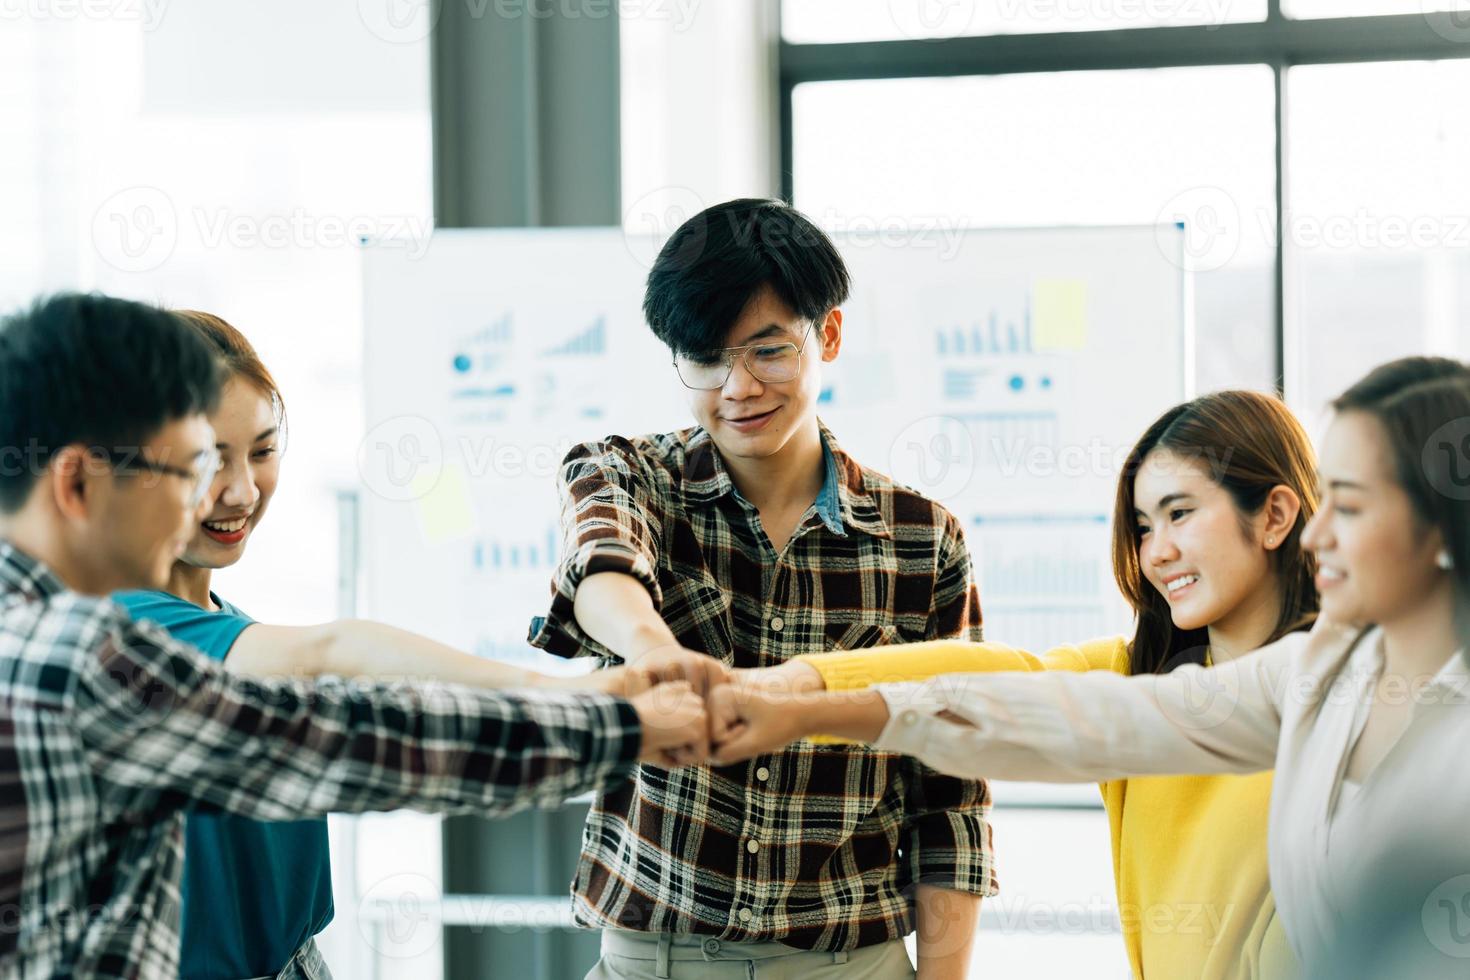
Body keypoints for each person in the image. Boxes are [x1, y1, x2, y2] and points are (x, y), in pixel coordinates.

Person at [0, 292, 709, 978]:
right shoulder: (107, 645)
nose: (239, 492)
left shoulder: (210, 619)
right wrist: (591, 707)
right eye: (199, 463)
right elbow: (342, 678)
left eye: (263, 450)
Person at [707, 356, 1470, 977]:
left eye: (1352, 504)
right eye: (1145, 525)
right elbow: (1044, 699)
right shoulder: (1307, 674)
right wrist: (794, 695)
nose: (1317, 532)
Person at [527, 199, 993, 978]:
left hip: (850, 962)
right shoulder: (627, 474)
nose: (736, 387)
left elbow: (951, 798)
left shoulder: (922, 541)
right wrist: (654, 650)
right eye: (705, 358)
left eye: (767, 352)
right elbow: (601, 565)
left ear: (829, 337)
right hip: (656, 958)